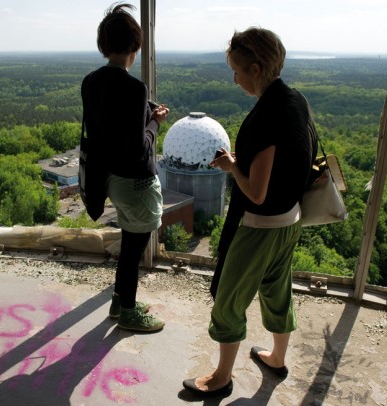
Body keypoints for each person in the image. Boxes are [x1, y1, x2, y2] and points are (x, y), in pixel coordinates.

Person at [183, 27, 317, 396]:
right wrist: (244, 165)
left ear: (256, 69)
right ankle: (276, 357)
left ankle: (221, 378)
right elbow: (283, 164)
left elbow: (256, 193)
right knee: (277, 291)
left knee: (229, 301)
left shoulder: (266, 117)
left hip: (259, 227)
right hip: (290, 221)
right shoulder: (295, 100)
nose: (234, 78)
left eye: (237, 70)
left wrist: (230, 168)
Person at [81, 3, 170, 333]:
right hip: (137, 184)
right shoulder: (136, 89)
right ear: (136, 46)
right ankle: (129, 312)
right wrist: (156, 123)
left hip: (110, 180)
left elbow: (106, 118)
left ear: (104, 45)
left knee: (129, 244)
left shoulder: (90, 82)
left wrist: (145, 112)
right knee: (133, 250)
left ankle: (120, 300)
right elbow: (138, 148)